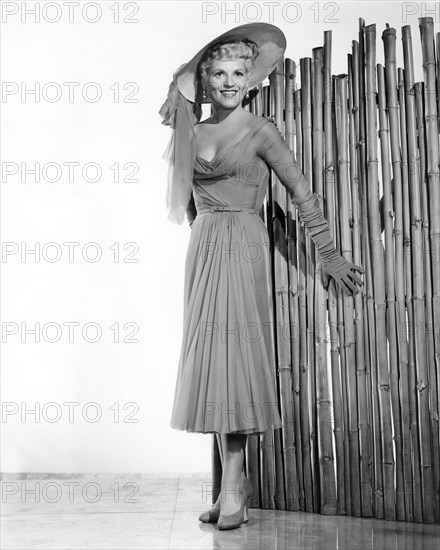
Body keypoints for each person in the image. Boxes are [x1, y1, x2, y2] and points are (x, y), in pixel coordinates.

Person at [159, 23, 364, 531]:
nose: (229, 82)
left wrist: (329, 254)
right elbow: (185, 204)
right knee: (211, 359)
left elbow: (301, 193)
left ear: (251, 81)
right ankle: (231, 485)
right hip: (203, 249)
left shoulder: (260, 130)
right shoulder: (194, 130)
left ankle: (233, 489)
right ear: (205, 83)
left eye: (238, 73)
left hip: (245, 248)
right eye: (219, 74)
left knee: (235, 360)